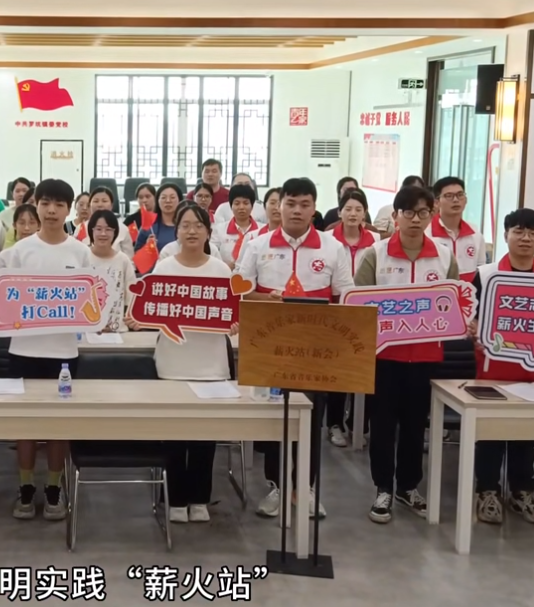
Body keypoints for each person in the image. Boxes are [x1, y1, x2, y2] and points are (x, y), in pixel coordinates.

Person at [236, 178, 353, 519]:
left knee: (311, 418)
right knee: (276, 418)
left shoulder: (332, 247)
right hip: (270, 345)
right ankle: (276, 485)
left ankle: (306, 488)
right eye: (290, 203)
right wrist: (269, 299)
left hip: (315, 349)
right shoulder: (257, 245)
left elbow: (346, 297)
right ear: (278, 206)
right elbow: (240, 291)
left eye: (304, 204)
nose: (297, 210)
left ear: (314, 208)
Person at [354, 185, 459, 524]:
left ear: (432, 215)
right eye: (409, 212)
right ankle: (383, 487)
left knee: (416, 427)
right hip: (385, 357)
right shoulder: (376, 254)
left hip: (426, 357)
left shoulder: (444, 255)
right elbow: (358, 304)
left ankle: (408, 486)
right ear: (396, 215)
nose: (416, 219)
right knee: (383, 426)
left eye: (423, 212)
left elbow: (454, 305)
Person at [0, 179, 90, 521]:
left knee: (59, 425)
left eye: (59, 204)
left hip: (64, 353)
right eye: (45, 203)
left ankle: (53, 488)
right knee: (26, 424)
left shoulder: (80, 252)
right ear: (36, 206)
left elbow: (91, 301)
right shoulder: (18, 252)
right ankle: (25, 487)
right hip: (24, 351)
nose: (51, 210)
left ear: (68, 210)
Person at [468, 208, 534, 526]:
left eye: (533, 232)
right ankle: (487, 490)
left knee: (526, 432)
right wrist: (473, 327)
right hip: (495, 366)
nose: (526, 238)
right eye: (518, 231)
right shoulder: (486, 273)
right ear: (505, 235)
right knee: (491, 432)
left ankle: (521, 491)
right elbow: (470, 315)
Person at [153, 204, 236, 524]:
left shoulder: (221, 270)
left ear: (208, 232)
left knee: (204, 436)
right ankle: (175, 499)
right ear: (176, 232)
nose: (191, 231)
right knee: (174, 435)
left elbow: (232, 311)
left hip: (211, 364)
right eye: (185, 225)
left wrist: (234, 323)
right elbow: (152, 311)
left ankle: (200, 497)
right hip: (172, 362)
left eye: (198, 225)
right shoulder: (164, 269)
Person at [322, 187, 377, 448]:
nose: (353, 214)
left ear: (365, 213)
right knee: (338, 371)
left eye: (358, 209)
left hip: (368, 316)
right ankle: (334, 423)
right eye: (348, 209)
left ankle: (359, 424)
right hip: (336, 315)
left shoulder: (376, 242)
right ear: (339, 212)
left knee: (363, 372)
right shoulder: (327, 240)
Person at [85, 209, 138, 334]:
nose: (103, 233)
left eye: (108, 229)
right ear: (91, 231)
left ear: (115, 233)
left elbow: (132, 296)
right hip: (87, 331)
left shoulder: (123, 260)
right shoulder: (83, 257)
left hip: (118, 331)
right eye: (98, 229)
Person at [427, 176, 485, 283]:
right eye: (449, 196)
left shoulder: (475, 234)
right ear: (436, 202)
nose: (455, 200)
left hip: (470, 292)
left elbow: (481, 271)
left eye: (460, 195)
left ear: (466, 200)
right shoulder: (426, 233)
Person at [211, 183, 259, 268]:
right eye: (237, 203)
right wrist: (223, 266)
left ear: (252, 206)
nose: (241, 207)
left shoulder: (262, 230)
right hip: (225, 272)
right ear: (231, 206)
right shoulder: (219, 229)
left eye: (246, 203)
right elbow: (212, 252)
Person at [77, 186, 133, 258]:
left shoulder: (123, 229)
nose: (100, 205)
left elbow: (129, 258)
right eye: (96, 201)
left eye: (104, 201)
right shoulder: (81, 228)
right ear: (90, 205)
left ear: (111, 205)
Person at [135, 183, 182, 253]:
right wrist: (147, 248)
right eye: (163, 197)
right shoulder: (149, 226)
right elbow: (137, 253)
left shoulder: (186, 225)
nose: (168, 201)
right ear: (157, 201)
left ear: (180, 200)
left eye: (172, 197)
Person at [0, 204, 39, 270]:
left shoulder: (45, 254)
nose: (26, 228)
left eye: (32, 223)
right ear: (14, 225)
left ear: (39, 225)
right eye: (22, 223)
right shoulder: (5, 256)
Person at [0, 176, 34, 247]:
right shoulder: (3, 216)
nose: (21, 194)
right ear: (12, 194)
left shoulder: (38, 215)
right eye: (17, 191)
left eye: (24, 191)